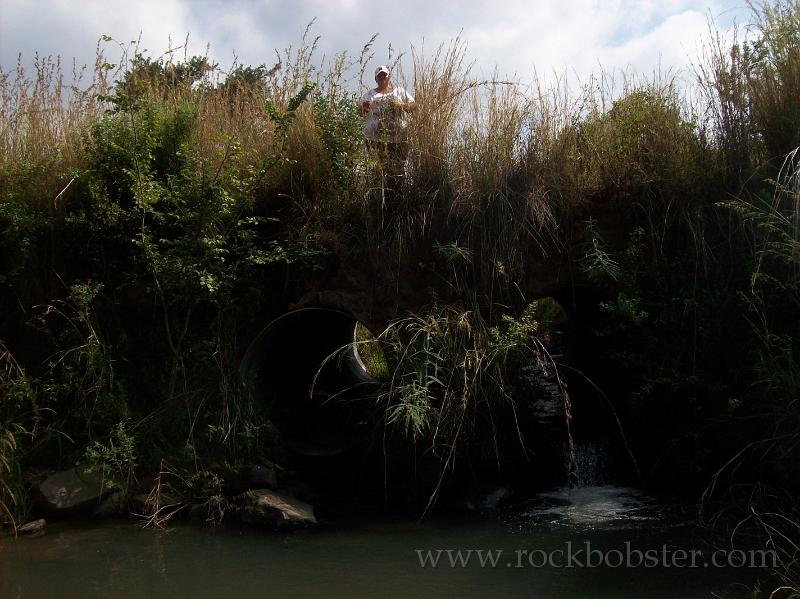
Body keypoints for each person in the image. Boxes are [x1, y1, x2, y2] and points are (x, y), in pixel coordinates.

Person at [359, 65, 416, 174]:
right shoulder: (369, 94)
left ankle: (397, 191)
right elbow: (360, 113)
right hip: (375, 140)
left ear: (389, 76)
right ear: (376, 79)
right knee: (377, 171)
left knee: (398, 171)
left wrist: (401, 105)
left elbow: (414, 106)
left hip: (399, 139)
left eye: (384, 75)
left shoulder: (400, 91)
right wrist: (364, 106)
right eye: (379, 76)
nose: (382, 77)